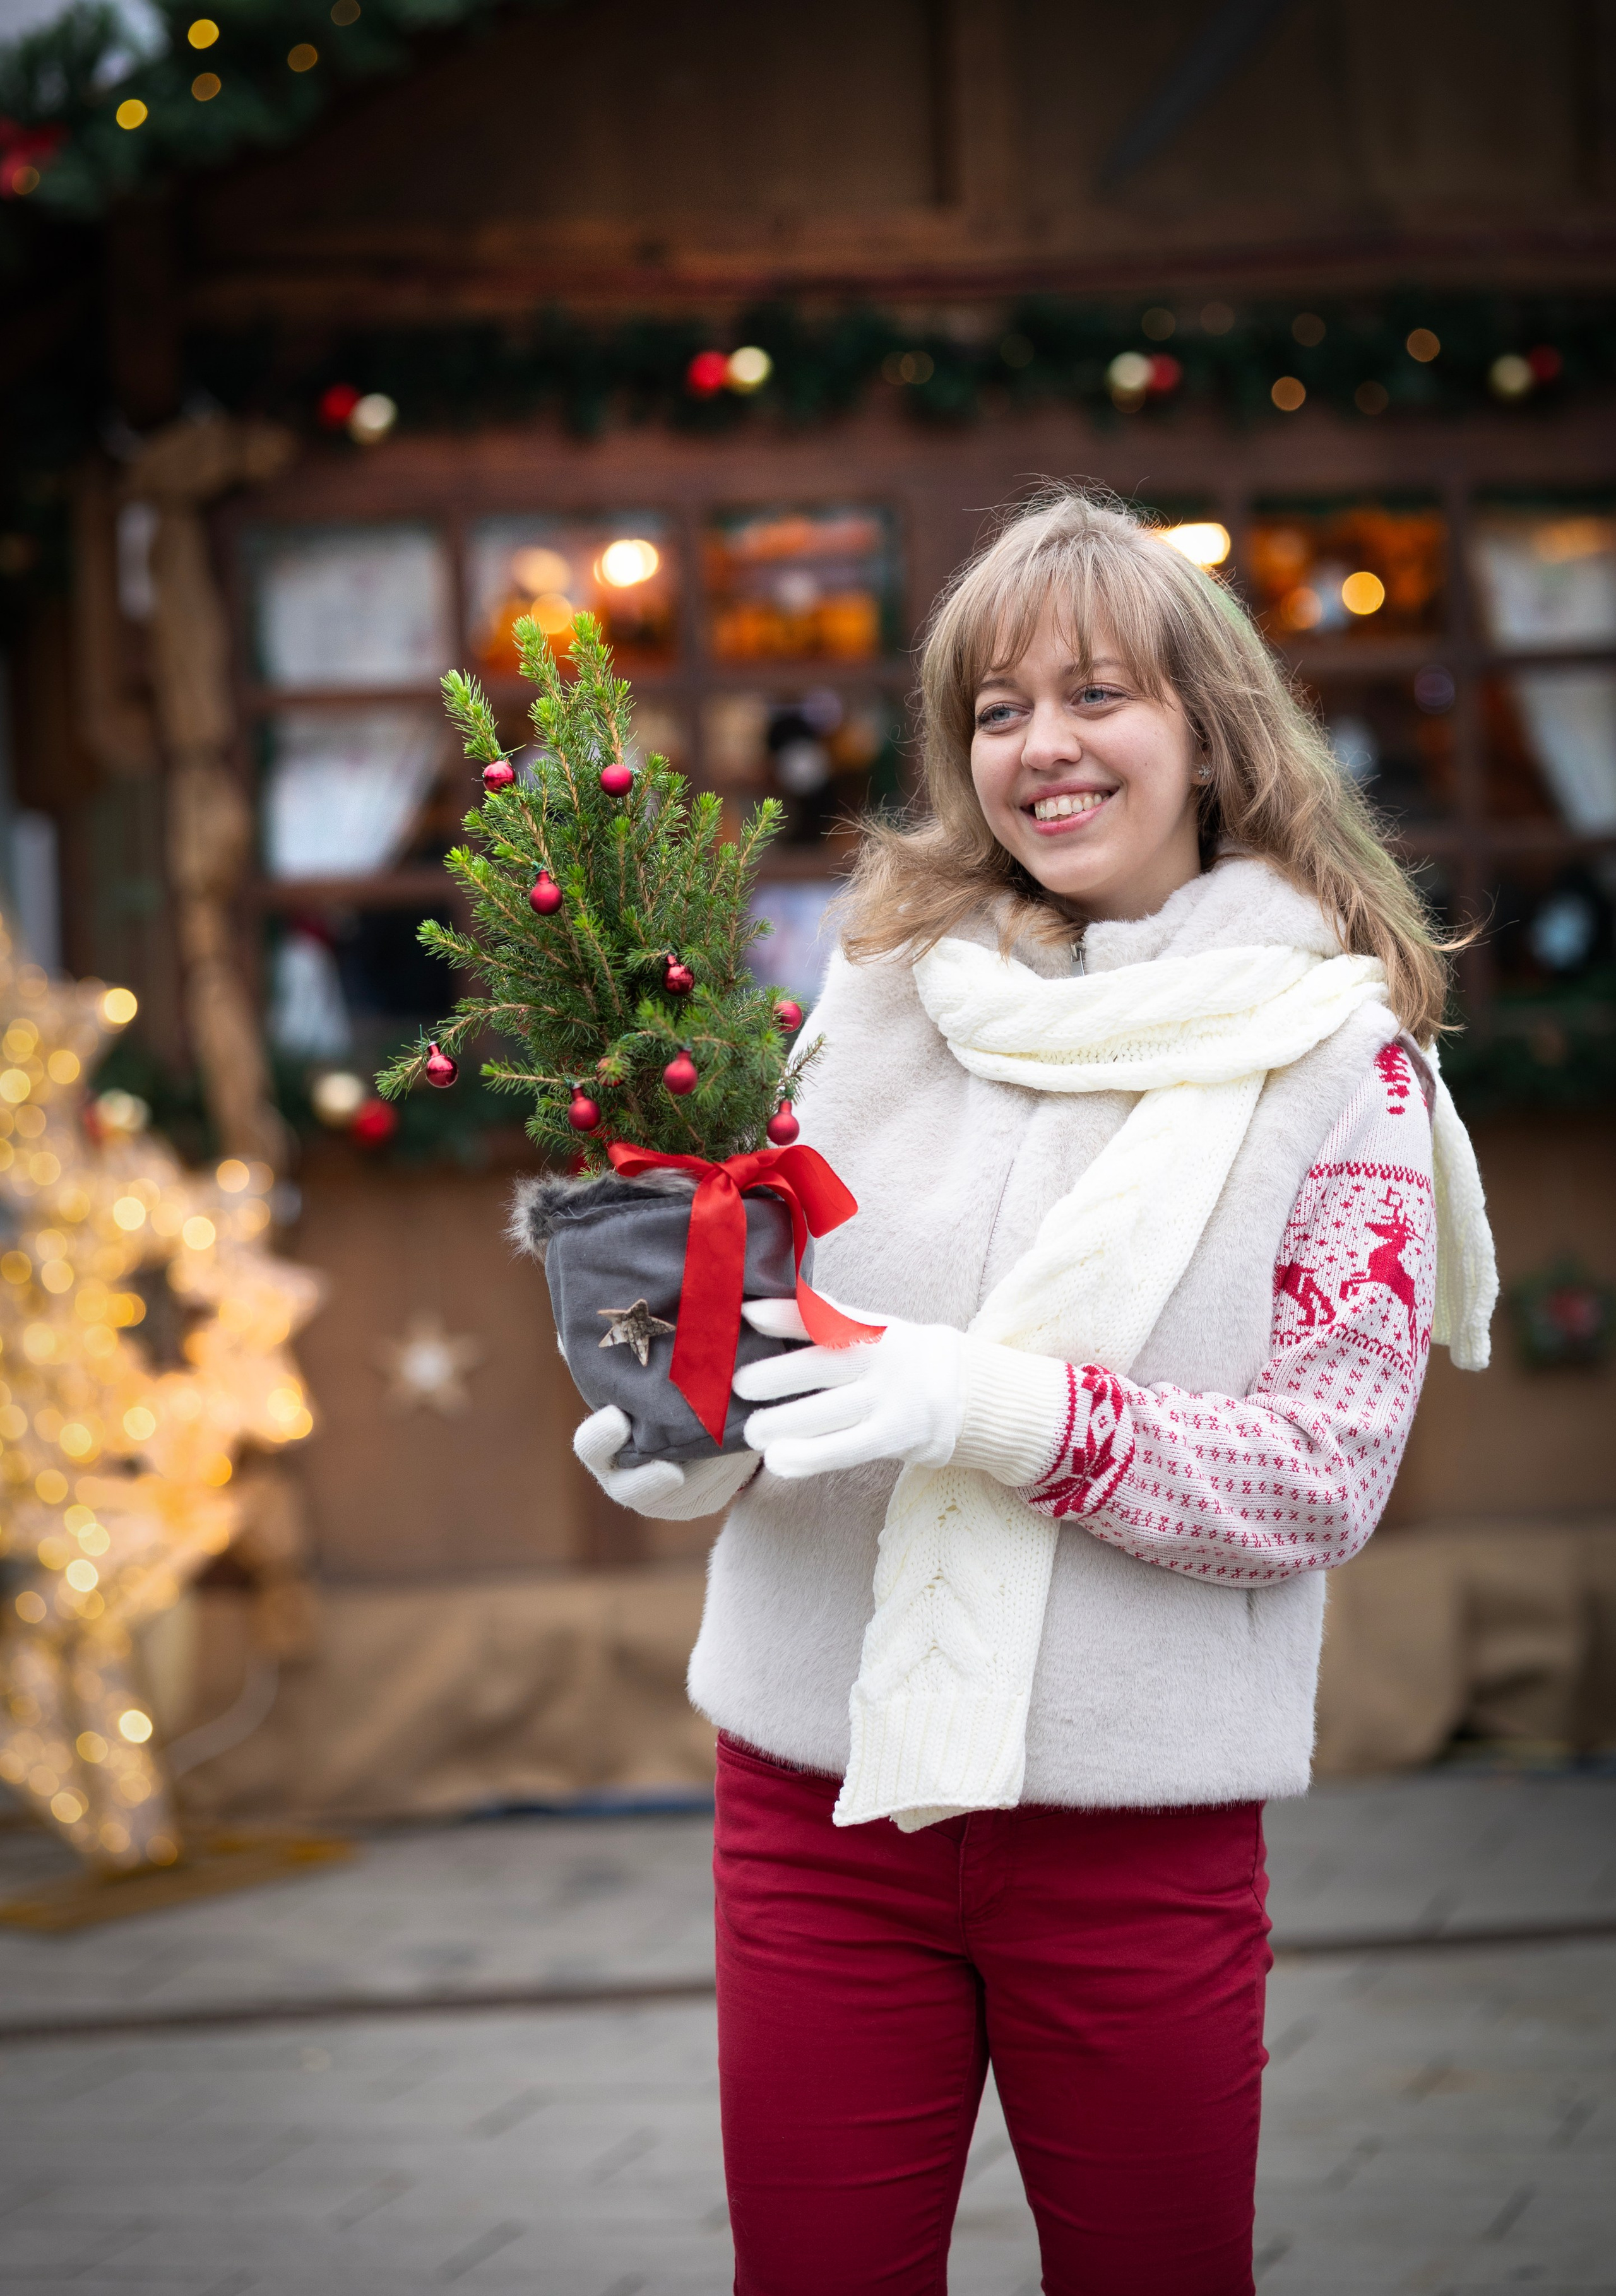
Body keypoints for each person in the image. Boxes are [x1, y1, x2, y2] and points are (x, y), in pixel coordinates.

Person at [573, 486, 1497, 2296]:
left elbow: (1321, 1475)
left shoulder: (1342, 1067)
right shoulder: (877, 1001)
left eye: (1097, 696)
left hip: (1131, 1838)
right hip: (816, 1807)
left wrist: (990, 1408)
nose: (1044, 749)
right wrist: (688, 1442)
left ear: (1209, 730)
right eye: (997, 711)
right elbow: (772, 1318)